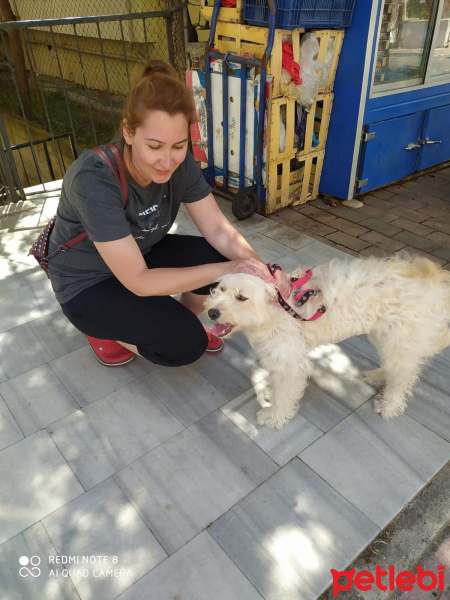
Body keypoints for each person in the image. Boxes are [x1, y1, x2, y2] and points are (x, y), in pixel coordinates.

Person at [47, 59, 289, 368]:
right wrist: (230, 268)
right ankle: (105, 330)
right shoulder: (94, 178)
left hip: (141, 254)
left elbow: (217, 229)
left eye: (178, 146)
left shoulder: (181, 164)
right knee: (186, 345)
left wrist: (258, 269)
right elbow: (139, 281)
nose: (167, 161)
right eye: (154, 145)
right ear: (128, 132)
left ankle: (165, 321)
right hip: (87, 283)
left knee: (213, 261)